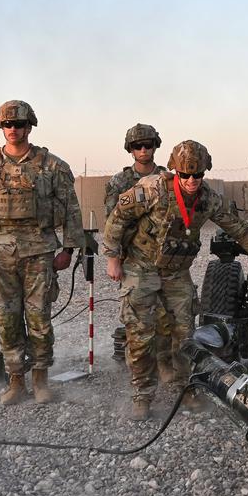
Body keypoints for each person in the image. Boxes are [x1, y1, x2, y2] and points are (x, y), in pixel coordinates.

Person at [102, 140, 248, 420]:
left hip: (176, 273)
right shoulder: (152, 189)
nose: (192, 181)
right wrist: (113, 258)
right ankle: (142, 394)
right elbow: (117, 217)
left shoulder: (209, 199)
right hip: (141, 268)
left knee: (185, 335)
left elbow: (236, 227)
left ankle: (185, 388)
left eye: (198, 175)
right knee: (140, 334)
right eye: (185, 175)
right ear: (175, 172)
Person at [0, 100, 84, 405]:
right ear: (1, 128)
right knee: (7, 318)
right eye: (7, 125)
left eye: (19, 124)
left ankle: (40, 378)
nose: (13, 130)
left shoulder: (52, 166)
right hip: (0, 254)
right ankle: (16, 380)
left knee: (40, 318)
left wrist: (68, 249)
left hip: (40, 251)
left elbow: (71, 210)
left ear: (29, 126)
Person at [104, 124, 174, 381]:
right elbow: (112, 221)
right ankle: (139, 369)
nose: (143, 150)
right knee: (137, 316)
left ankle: (164, 362)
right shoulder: (120, 182)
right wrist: (115, 259)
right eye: (137, 146)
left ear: (156, 146)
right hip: (134, 258)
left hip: (165, 258)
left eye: (148, 145)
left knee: (167, 317)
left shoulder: (169, 179)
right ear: (130, 149)